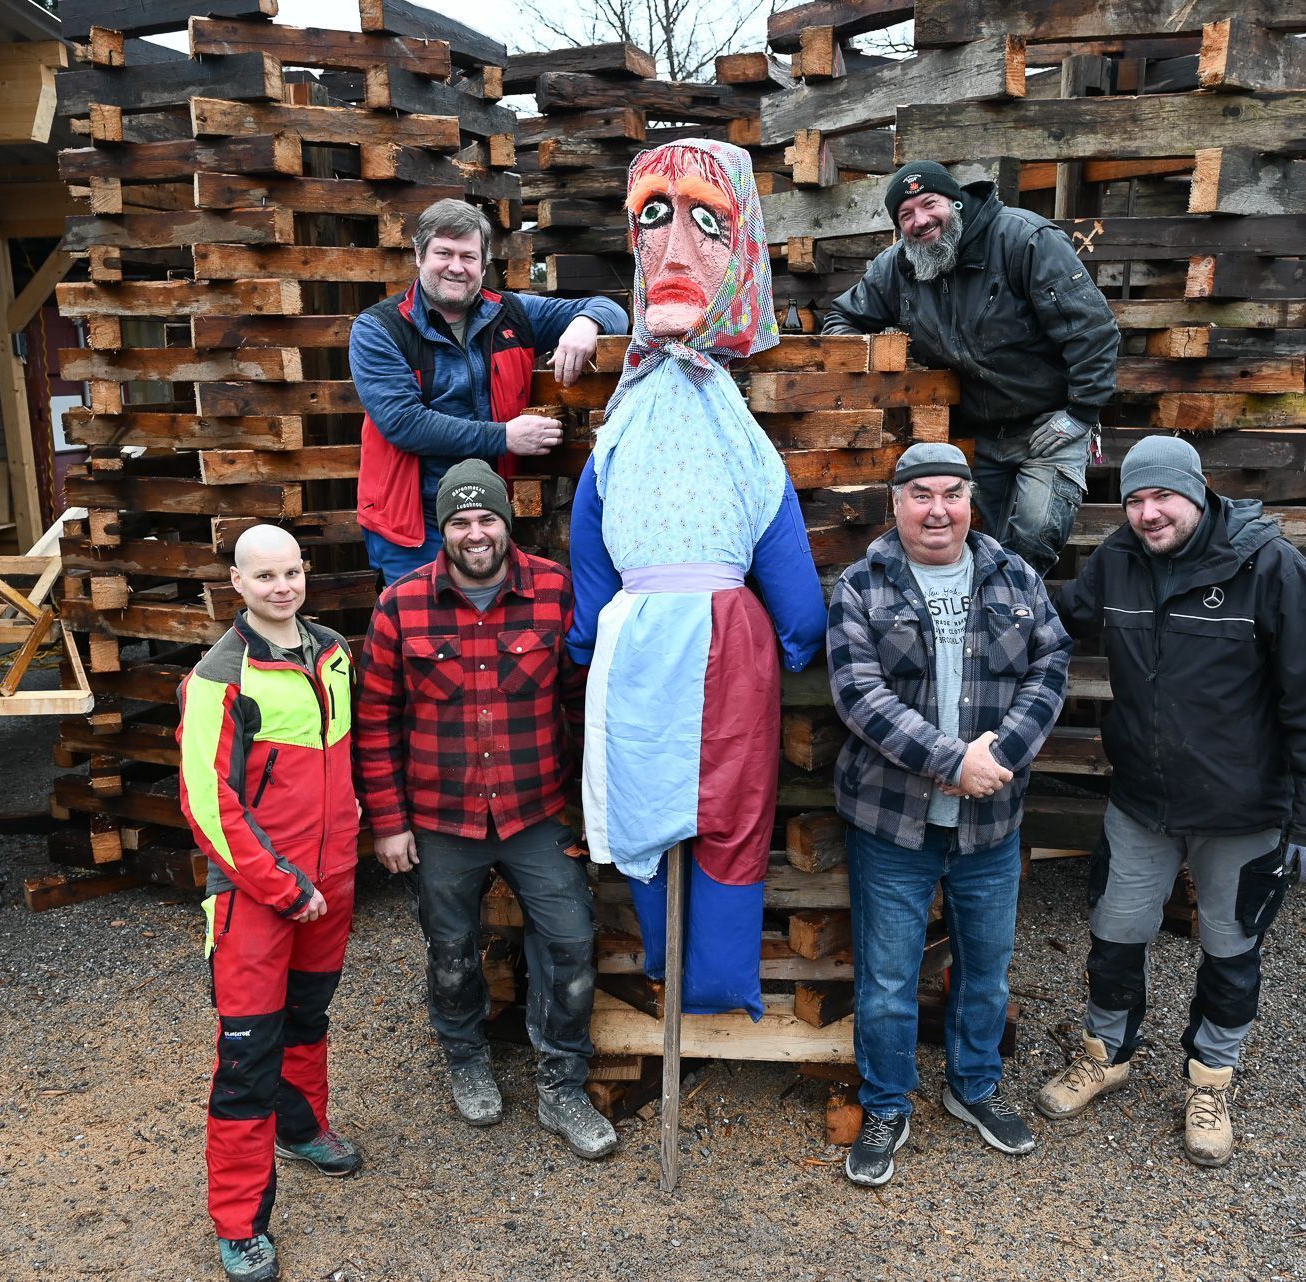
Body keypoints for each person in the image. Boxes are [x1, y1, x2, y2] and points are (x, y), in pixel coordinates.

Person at [1040, 435, 1306, 1167]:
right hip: (1142, 802)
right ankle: (1106, 1055)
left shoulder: (1270, 568)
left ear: (1199, 492)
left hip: (1242, 811)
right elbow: (1058, 615)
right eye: (1136, 500)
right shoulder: (1118, 560)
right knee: (1115, 935)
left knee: (1230, 947)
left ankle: (1211, 1080)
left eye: (1163, 497)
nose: (1149, 514)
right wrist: (980, 591)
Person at [566, 139, 827, 1018]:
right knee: (649, 797)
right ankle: (676, 964)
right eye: (652, 221)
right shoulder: (628, 423)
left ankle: (713, 976)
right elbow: (594, 532)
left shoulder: (731, 425)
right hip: (645, 631)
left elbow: (771, 523)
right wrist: (589, 629)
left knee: (730, 801)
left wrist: (796, 627)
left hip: (710, 633)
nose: (675, 250)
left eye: (707, 224)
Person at [351, 460, 616, 1162]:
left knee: (570, 943)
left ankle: (562, 1084)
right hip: (440, 819)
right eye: (461, 522)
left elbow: (584, 704)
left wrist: (594, 806)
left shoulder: (554, 591)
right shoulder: (401, 604)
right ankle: (465, 1059)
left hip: (537, 810)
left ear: (508, 522)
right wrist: (388, 820)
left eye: (487, 519)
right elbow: (374, 718)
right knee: (451, 952)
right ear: (445, 530)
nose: (476, 533)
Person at [826, 442, 1071, 1187]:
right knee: (889, 980)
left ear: (971, 503)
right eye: (921, 494)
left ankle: (974, 1089)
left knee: (987, 972)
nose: (938, 510)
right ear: (894, 504)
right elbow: (859, 696)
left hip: (990, 826)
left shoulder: (1014, 576)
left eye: (952, 495)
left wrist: (1001, 753)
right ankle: (888, 1104)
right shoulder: (860, 586)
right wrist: (949, 759)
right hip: (893, 823)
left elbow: (1051, 662)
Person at [177, 524, 362, 1282]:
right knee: (248, 1056)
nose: (281, 587)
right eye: (264, 577)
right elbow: (206, 803)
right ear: (237, 584)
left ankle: (303, 1126)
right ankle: (239, 1224)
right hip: (262, 899)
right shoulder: (218, 677)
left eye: (291, 572)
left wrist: (343, 857)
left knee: (308, 1019)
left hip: (334, 885)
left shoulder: (332, 652)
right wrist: (285, 885)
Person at [819, 161, 1120, 576]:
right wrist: (887, 367)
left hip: (1049, 422)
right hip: (972, 430)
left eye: (930, 204)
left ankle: (1013, 622)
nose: (920, 221)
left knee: (1034, 532)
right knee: (982, 541)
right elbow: (842, 320)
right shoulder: (898, 266)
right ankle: (986, 624)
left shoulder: (1023, 239)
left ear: (956, 204)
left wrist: (1081, 412)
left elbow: (1092, 327)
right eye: (906, 215)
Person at [349, 198, 626, 582]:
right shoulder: (379, 329)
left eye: (468, 256)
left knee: (488, 633)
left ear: (484, 262)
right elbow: (404, 423)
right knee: (425, 632)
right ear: (419, 254)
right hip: (414, 519)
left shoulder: (511, 312)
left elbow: (611, 309)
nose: (456, 267)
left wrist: (587, 322)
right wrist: (505, 437)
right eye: (443, 253)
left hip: (491, 514)